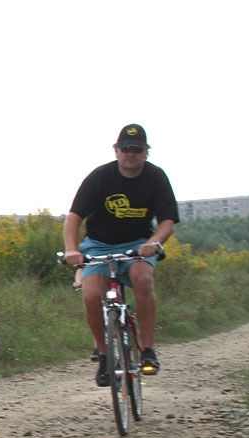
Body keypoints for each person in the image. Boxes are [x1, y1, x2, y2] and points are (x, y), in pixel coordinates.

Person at [63, 123, 179, 386]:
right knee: (91, 295)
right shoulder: (100, 177)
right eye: (126, 148)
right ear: (116, 151)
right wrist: (72, 249)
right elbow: (74, 217)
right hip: (98, 245)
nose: (131, 154)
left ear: (146, 152)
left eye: (137, 150)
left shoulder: (156, 177)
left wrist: (154, 242)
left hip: (138, 244)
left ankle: (147, 350)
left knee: (142, 279)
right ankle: (105, 356)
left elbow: (168, 221)